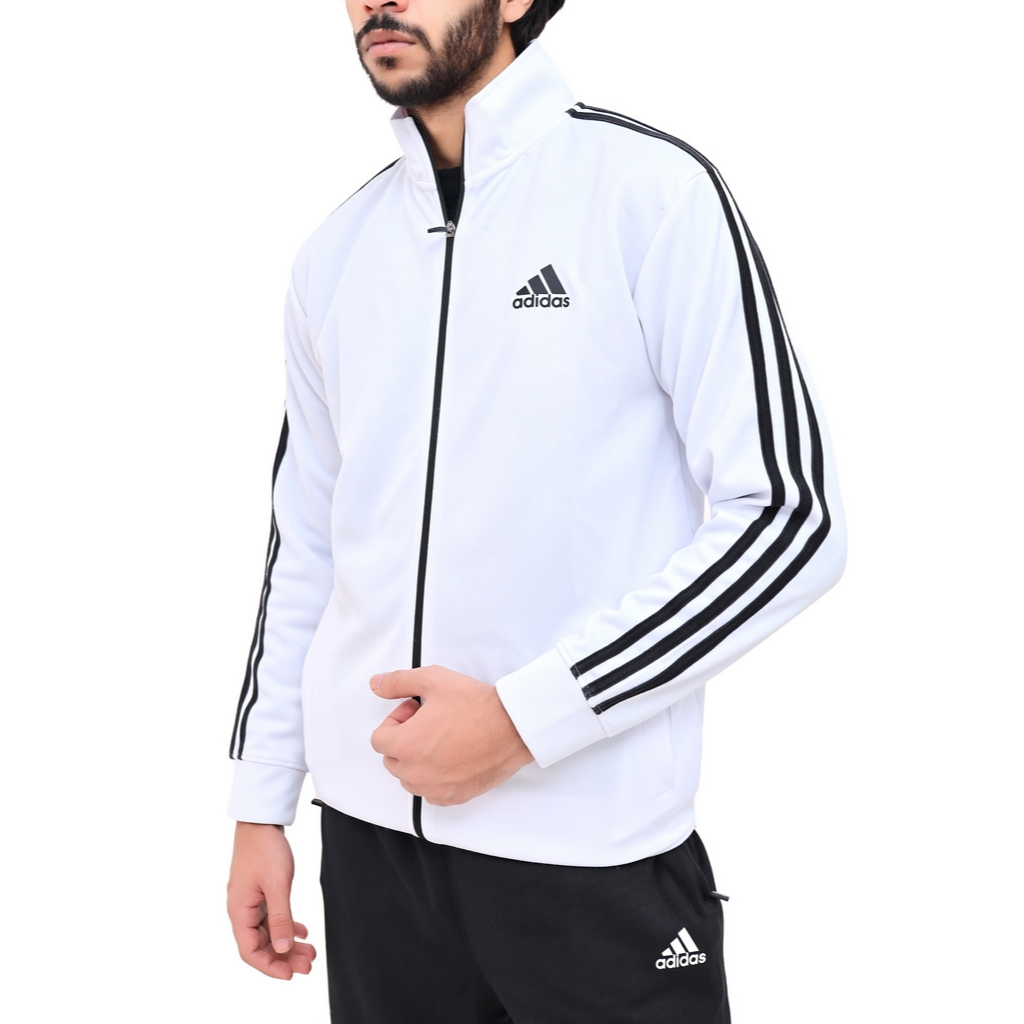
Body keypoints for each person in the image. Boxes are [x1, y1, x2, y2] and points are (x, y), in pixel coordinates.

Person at [226, 1, 846, 1021]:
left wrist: (528, 719)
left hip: (590, 862)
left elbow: (789, 518)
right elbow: (306, 548)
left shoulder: (648, 193)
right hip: (372, 858)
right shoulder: (335, 253)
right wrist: (262, 799)